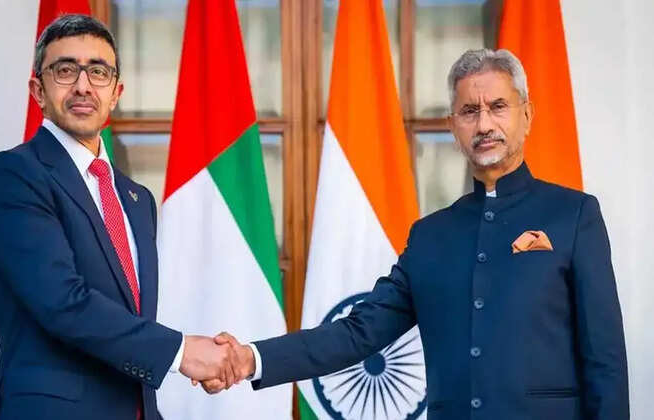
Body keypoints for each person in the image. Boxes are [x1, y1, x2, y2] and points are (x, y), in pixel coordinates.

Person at [203, 49, 629, 420]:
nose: (484, 123)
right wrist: (250, 358)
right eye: (469, 111)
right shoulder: (431, 236)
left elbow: (604, 360)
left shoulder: (574, 215)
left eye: (498, 106)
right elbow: (358, 333)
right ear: (453, 126)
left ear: (527, 115)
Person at [0, 15, 239, 420]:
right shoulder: (14, 175)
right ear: (38, 91)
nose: (83, 85)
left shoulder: (137, 199)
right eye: (65, 70)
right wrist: (183, 352)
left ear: (115, 93)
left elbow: (130, 316)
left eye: (98, 72)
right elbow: (63, 302)